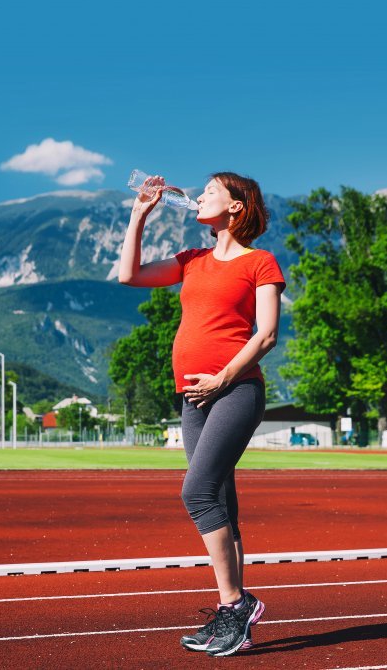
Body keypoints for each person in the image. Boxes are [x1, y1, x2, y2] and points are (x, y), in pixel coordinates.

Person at [119, 171, 285, 657]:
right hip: (193, 396)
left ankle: (237, 603)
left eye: (211, 190)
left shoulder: (260, 262)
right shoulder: (192, 260)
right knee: (223, 505)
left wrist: (223, 378)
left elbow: (267, 334)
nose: (199, 195)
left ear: (236, 207)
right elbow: (130, 276)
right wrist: (139, 214)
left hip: (235, 391)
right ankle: (231, 617)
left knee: (196, 491)